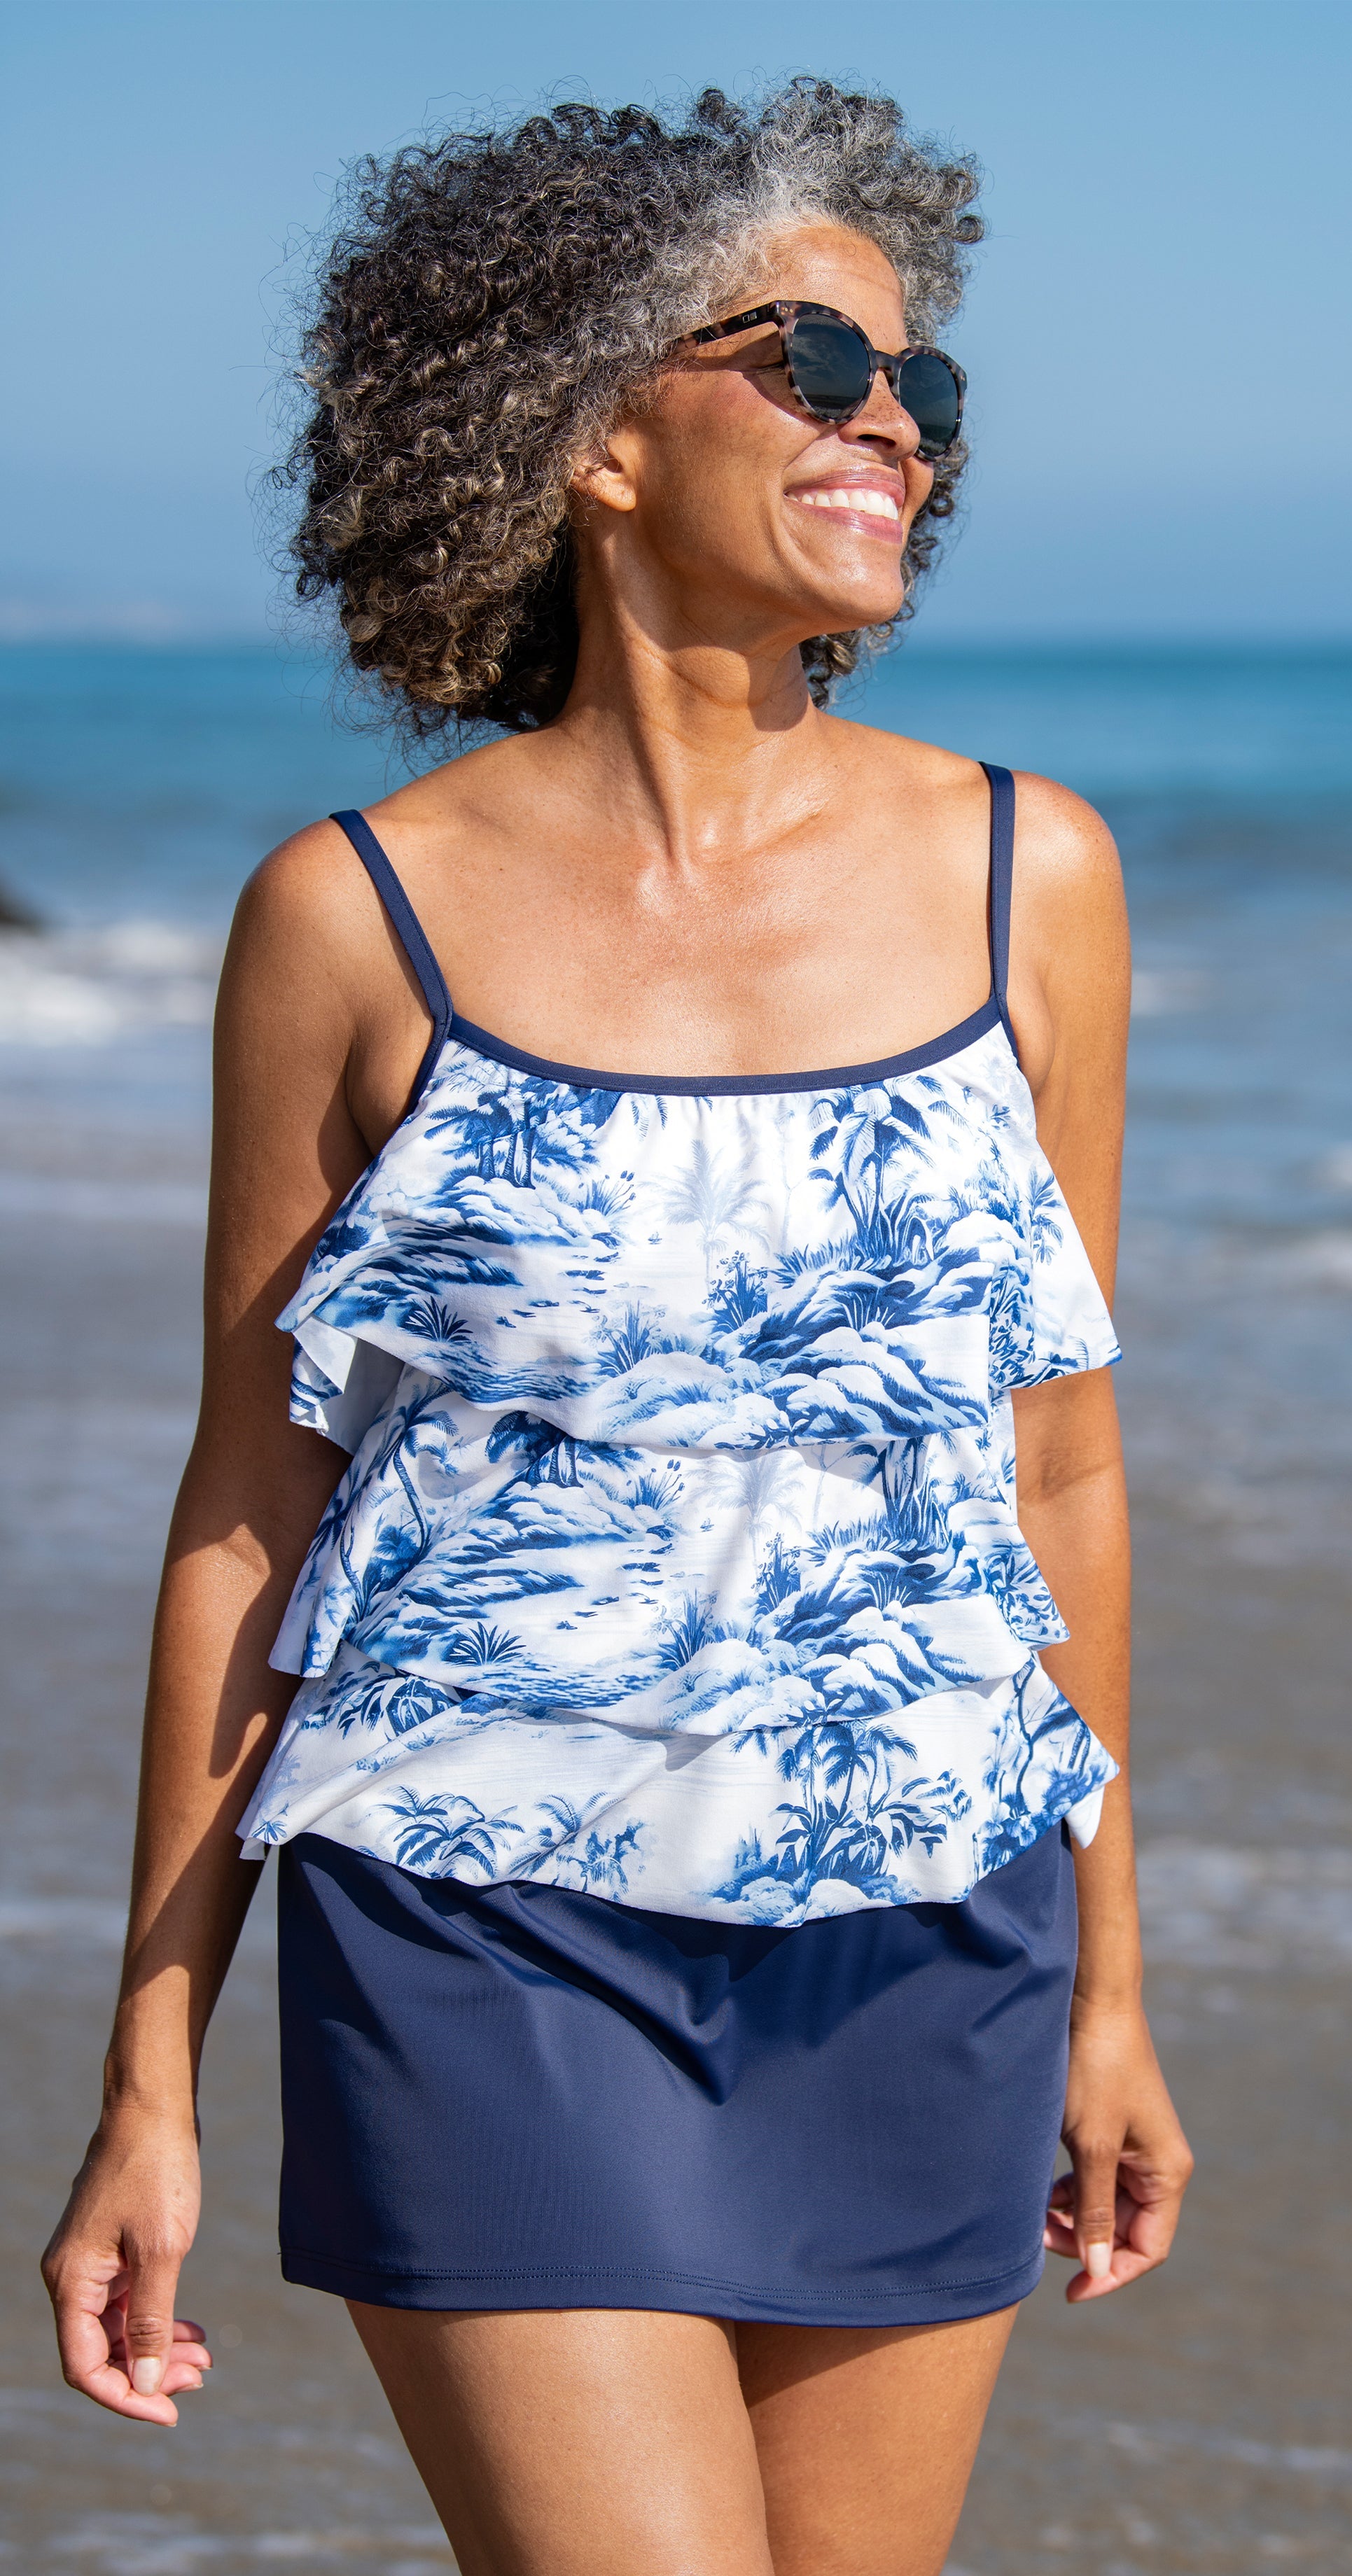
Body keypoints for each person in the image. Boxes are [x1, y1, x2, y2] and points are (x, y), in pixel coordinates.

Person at [42, 80, 1192, 2576]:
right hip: (481, 1927)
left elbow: (1062, 1474)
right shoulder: (354, 918)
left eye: (922, 386)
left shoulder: (1034, 880)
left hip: (929, 1917)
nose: (888, 415)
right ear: (583, 427)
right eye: (806, 356)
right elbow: (253, 1513)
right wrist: (153, 2067)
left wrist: (1109, 1980)